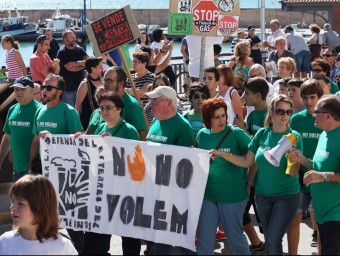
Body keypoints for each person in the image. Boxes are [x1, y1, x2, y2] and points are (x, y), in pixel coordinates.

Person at [212, 94, 302, 255]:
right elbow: (247, 161)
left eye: (289, 112)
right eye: (281, 111)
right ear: (272, 112)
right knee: (269, 239)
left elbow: (293, 173)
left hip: (287, 196)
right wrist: (223, 154)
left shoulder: (294, 137)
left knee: (273, 241)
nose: (285, 116)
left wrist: (294, 158)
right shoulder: (261, 134)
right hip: (262, 196)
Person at [29, 74, 84, 253]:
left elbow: (78, 141)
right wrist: (31, 165)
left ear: (59, 92)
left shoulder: (69, 111)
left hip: (64, 174)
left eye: (49, 88)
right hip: (42, 171)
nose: (44, 90)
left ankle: (81, 250)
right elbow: (36, 140)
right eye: (44, 86)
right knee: (43, 215)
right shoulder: (39, 110)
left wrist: (55, 139)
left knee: (68, 218)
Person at [81, 91, 140, 255]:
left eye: (108, 108)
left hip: (124, 192)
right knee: (94, 239)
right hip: (102, 191)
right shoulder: (100, 127)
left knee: (129, 240)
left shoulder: (129, 130)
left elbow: (136, 163)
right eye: (101, 108)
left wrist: (114, 145)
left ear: (119, 109)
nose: (104, 112)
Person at [196, 98, 251, 255]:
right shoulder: (202, 135)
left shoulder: (236, 133)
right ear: (208, 119)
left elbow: (253, 158)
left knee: (235, 239)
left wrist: (249, 184)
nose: (221, 120)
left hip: (232, 196)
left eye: (223, 115)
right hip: (208, 195)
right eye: (216, 117)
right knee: (204, 242)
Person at [144, 86, 194, 255]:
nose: (151, 104)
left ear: (169, 102)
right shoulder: (155, 121)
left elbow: (185, 166)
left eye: (155, 100)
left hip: (171, 193)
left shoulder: (182, 126)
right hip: (153, 189)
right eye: (151, 100)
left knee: (169, 240)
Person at [290, 94, 340, 255]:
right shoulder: (325, 134)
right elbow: (319, 167)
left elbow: (322, 173)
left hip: (336, 216)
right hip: (322, 214)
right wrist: (303, 160)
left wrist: (323, 176)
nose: (312, 114)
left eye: (316, 111)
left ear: (328, 115)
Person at [287, 79, 324, 255]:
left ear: (320, 97)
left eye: (313, 97)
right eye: (305, 97)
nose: (309, 101)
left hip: (321, 178)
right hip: (299, 177)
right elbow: (290, 147)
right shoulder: (295, 119)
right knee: (295, 218)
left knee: (321, 220)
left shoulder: (327, 119)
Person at [0, 174, 77, 255]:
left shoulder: (62, 247)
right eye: (12, 201)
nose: (12, 208)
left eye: (20, 203)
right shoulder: (5, 242)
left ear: (40, 208)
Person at [241, 77, 269, 254]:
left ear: (258, 95)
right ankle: (258, 244)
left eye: (247, 93)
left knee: (266, 220)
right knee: (242, 212)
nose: (244, 96)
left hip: (263, 178)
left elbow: (263, 147)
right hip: (250, 174)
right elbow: (251, 146)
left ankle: (269, 246)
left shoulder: (270, 116)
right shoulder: (251, 115)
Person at [0, 77, 42, 182]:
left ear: (32, 90)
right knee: (18, 198)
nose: (19, 92)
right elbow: (7, 138)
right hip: (16, 169)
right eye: (16, 89)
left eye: (22, 89)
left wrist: (33, 167)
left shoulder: (41, 110)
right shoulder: (12, 109)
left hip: (33, 171)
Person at [57, 30, 89, 107]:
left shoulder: (79, 49)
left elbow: (89, 60)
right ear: (65, 39)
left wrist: (77, 63)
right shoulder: (62, 53)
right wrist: (84, 64)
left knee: (81, 111)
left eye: (74, 36)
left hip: (80, 87)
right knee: (69, 111)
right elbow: (71, 69)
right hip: (68, 89)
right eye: (72, 37)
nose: (74, 39)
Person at [75, 57, 103, 128]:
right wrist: (76, 125)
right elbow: (78, 105)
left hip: (102, 119)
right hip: (88, 121)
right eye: (100, 67)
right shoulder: (84, 84)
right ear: (93, 69)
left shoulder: (102, 81)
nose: (102, 68)